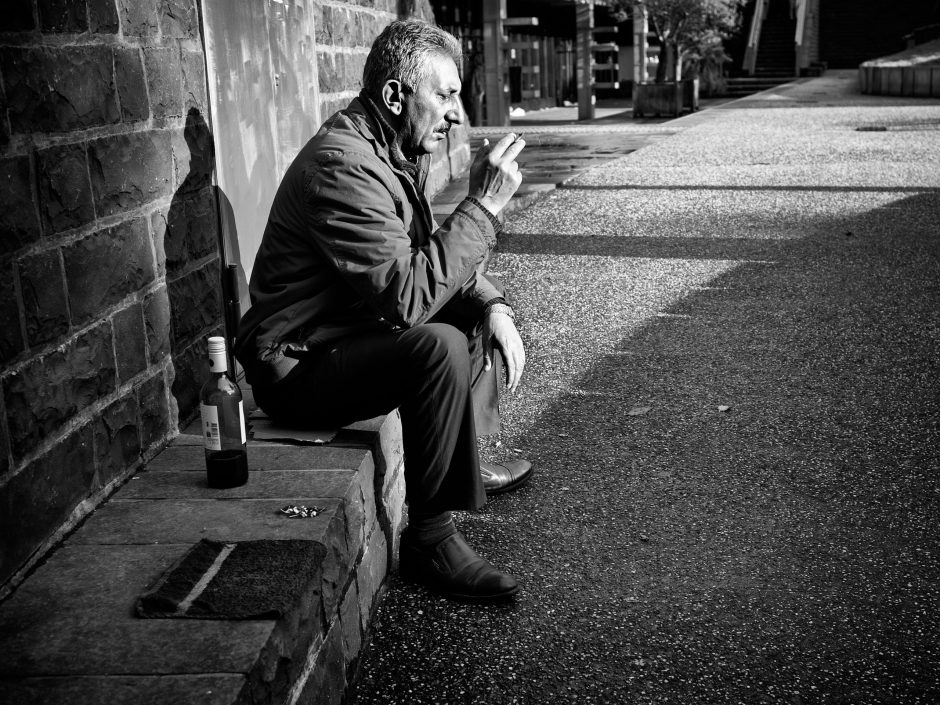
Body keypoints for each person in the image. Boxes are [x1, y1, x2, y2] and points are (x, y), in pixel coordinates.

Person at [235, 19, 532, 602]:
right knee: (436, 342)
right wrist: (484, 207)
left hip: (341, 338)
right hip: (297, 368)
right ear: (396, 95)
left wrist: (494, 302)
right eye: (444, 96)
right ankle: (430, 539)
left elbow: (428, 262)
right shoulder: (344, 166)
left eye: (458, 96)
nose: (456, 113)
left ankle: (463, 458)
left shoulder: (388, 151)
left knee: (467, 311)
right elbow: (409, 296)